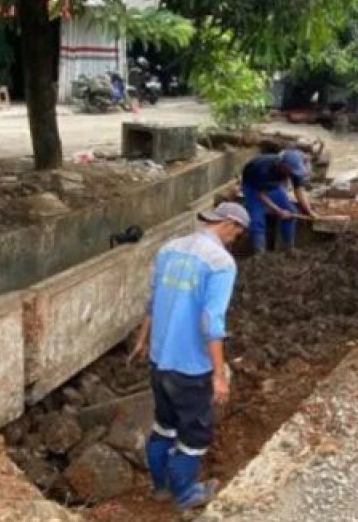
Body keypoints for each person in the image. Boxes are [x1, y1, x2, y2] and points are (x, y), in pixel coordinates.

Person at [128, 202, 249, 511]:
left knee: (164, 426)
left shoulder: (170, 248)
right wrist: (219, 374)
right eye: (238, 232)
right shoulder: (221, 262)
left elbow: (152, 302)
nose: (235, 239)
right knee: (194, 435)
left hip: (160, 360)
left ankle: (160, 488)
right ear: (230, 224)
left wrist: (142, 342)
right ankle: (185, 495)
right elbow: (211, 321)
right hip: (190, 367)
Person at [240, 149, 313, 253]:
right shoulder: (263, 168)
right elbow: (261, 195)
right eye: (290, 171)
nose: (292, 174)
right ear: (282, 166)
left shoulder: (294, 169)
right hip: (253, 187)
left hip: (274, 186)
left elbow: (299, 190)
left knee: (291, 212)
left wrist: (308, 210)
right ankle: (259, 255)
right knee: (257, 220)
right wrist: (278, 211)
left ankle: (288, 249)